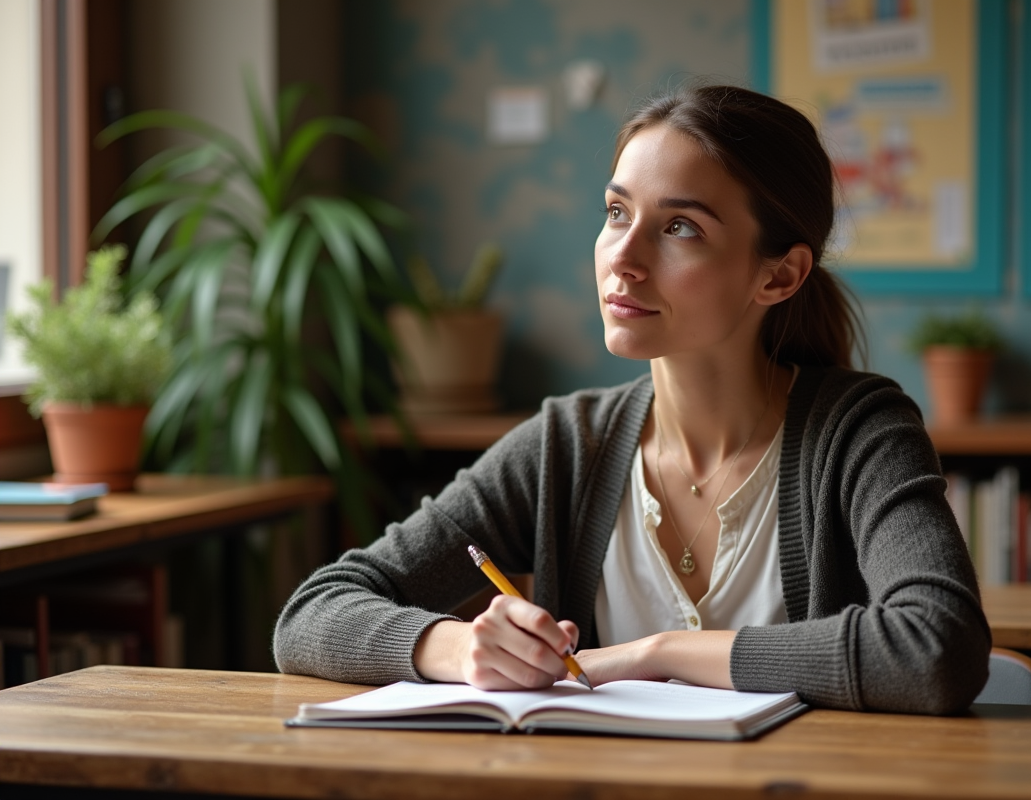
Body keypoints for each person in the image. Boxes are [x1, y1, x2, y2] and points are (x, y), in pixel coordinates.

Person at [274, 84, 991, 715]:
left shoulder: (860, 431)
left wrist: (664, 653)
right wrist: (459, 648)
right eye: (617, 212)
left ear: (778, 276)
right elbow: (311, 614)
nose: (624, 256)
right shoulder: (567, 444)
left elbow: (937, 650)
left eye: (680, 227)